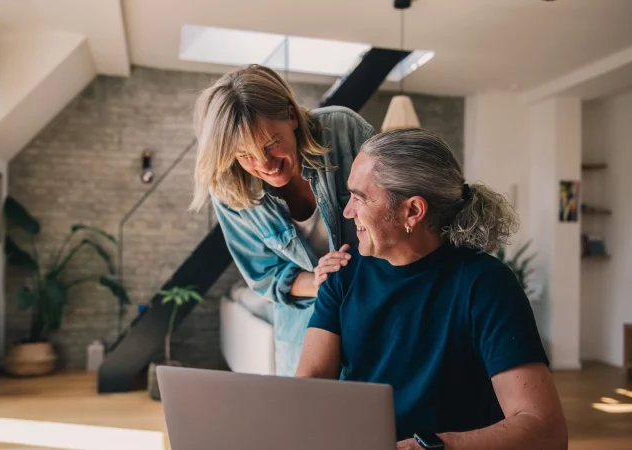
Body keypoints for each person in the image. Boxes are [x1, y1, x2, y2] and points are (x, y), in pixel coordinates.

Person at [295, 129, 568, 449]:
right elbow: (309, 385)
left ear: (412, 211)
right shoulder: (343, 273)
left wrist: (429, 446)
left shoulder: (486, 285)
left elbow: (546, 430)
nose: (347, 211)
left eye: (361, 197)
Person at [190, 64, 375, 376]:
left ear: (291, 116)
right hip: (303, 335)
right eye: (244, 155)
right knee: (311, 419)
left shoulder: (342, 130)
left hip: (378, 316)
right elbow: (266, 278)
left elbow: (392, 208)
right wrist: (321, 282)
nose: (265, 165)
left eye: (269, 144)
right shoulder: (228, 190)